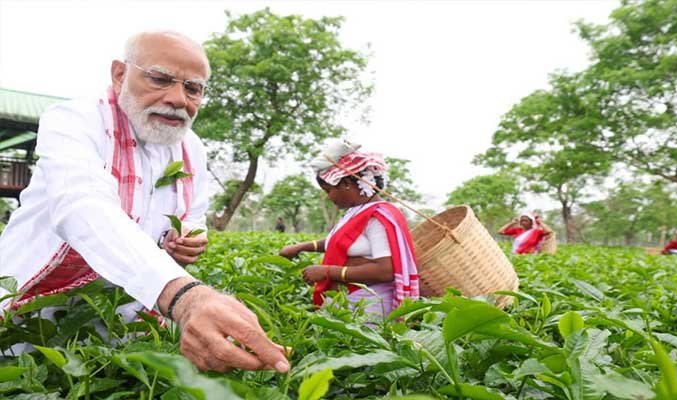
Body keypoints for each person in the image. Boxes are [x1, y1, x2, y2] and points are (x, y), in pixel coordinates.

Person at [0, 31, 289, 373]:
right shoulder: (75, 120)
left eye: (193, 88)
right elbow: (81, 204)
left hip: (126, 311)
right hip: (35, 310)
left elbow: (193, 214)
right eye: (160, 79)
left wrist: (189, 239)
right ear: (120, 74)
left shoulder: (191, 148)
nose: (179, 99)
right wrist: (184, 296)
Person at [278, 139, 419, 317]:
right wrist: (301, 247)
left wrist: (327, 271)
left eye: (329, 190)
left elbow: (386, 271)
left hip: (370, 307)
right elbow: (340, 241)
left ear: (346, 184)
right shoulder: (357, 211)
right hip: (351, 302)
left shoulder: (378, 216)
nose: (328, 197)